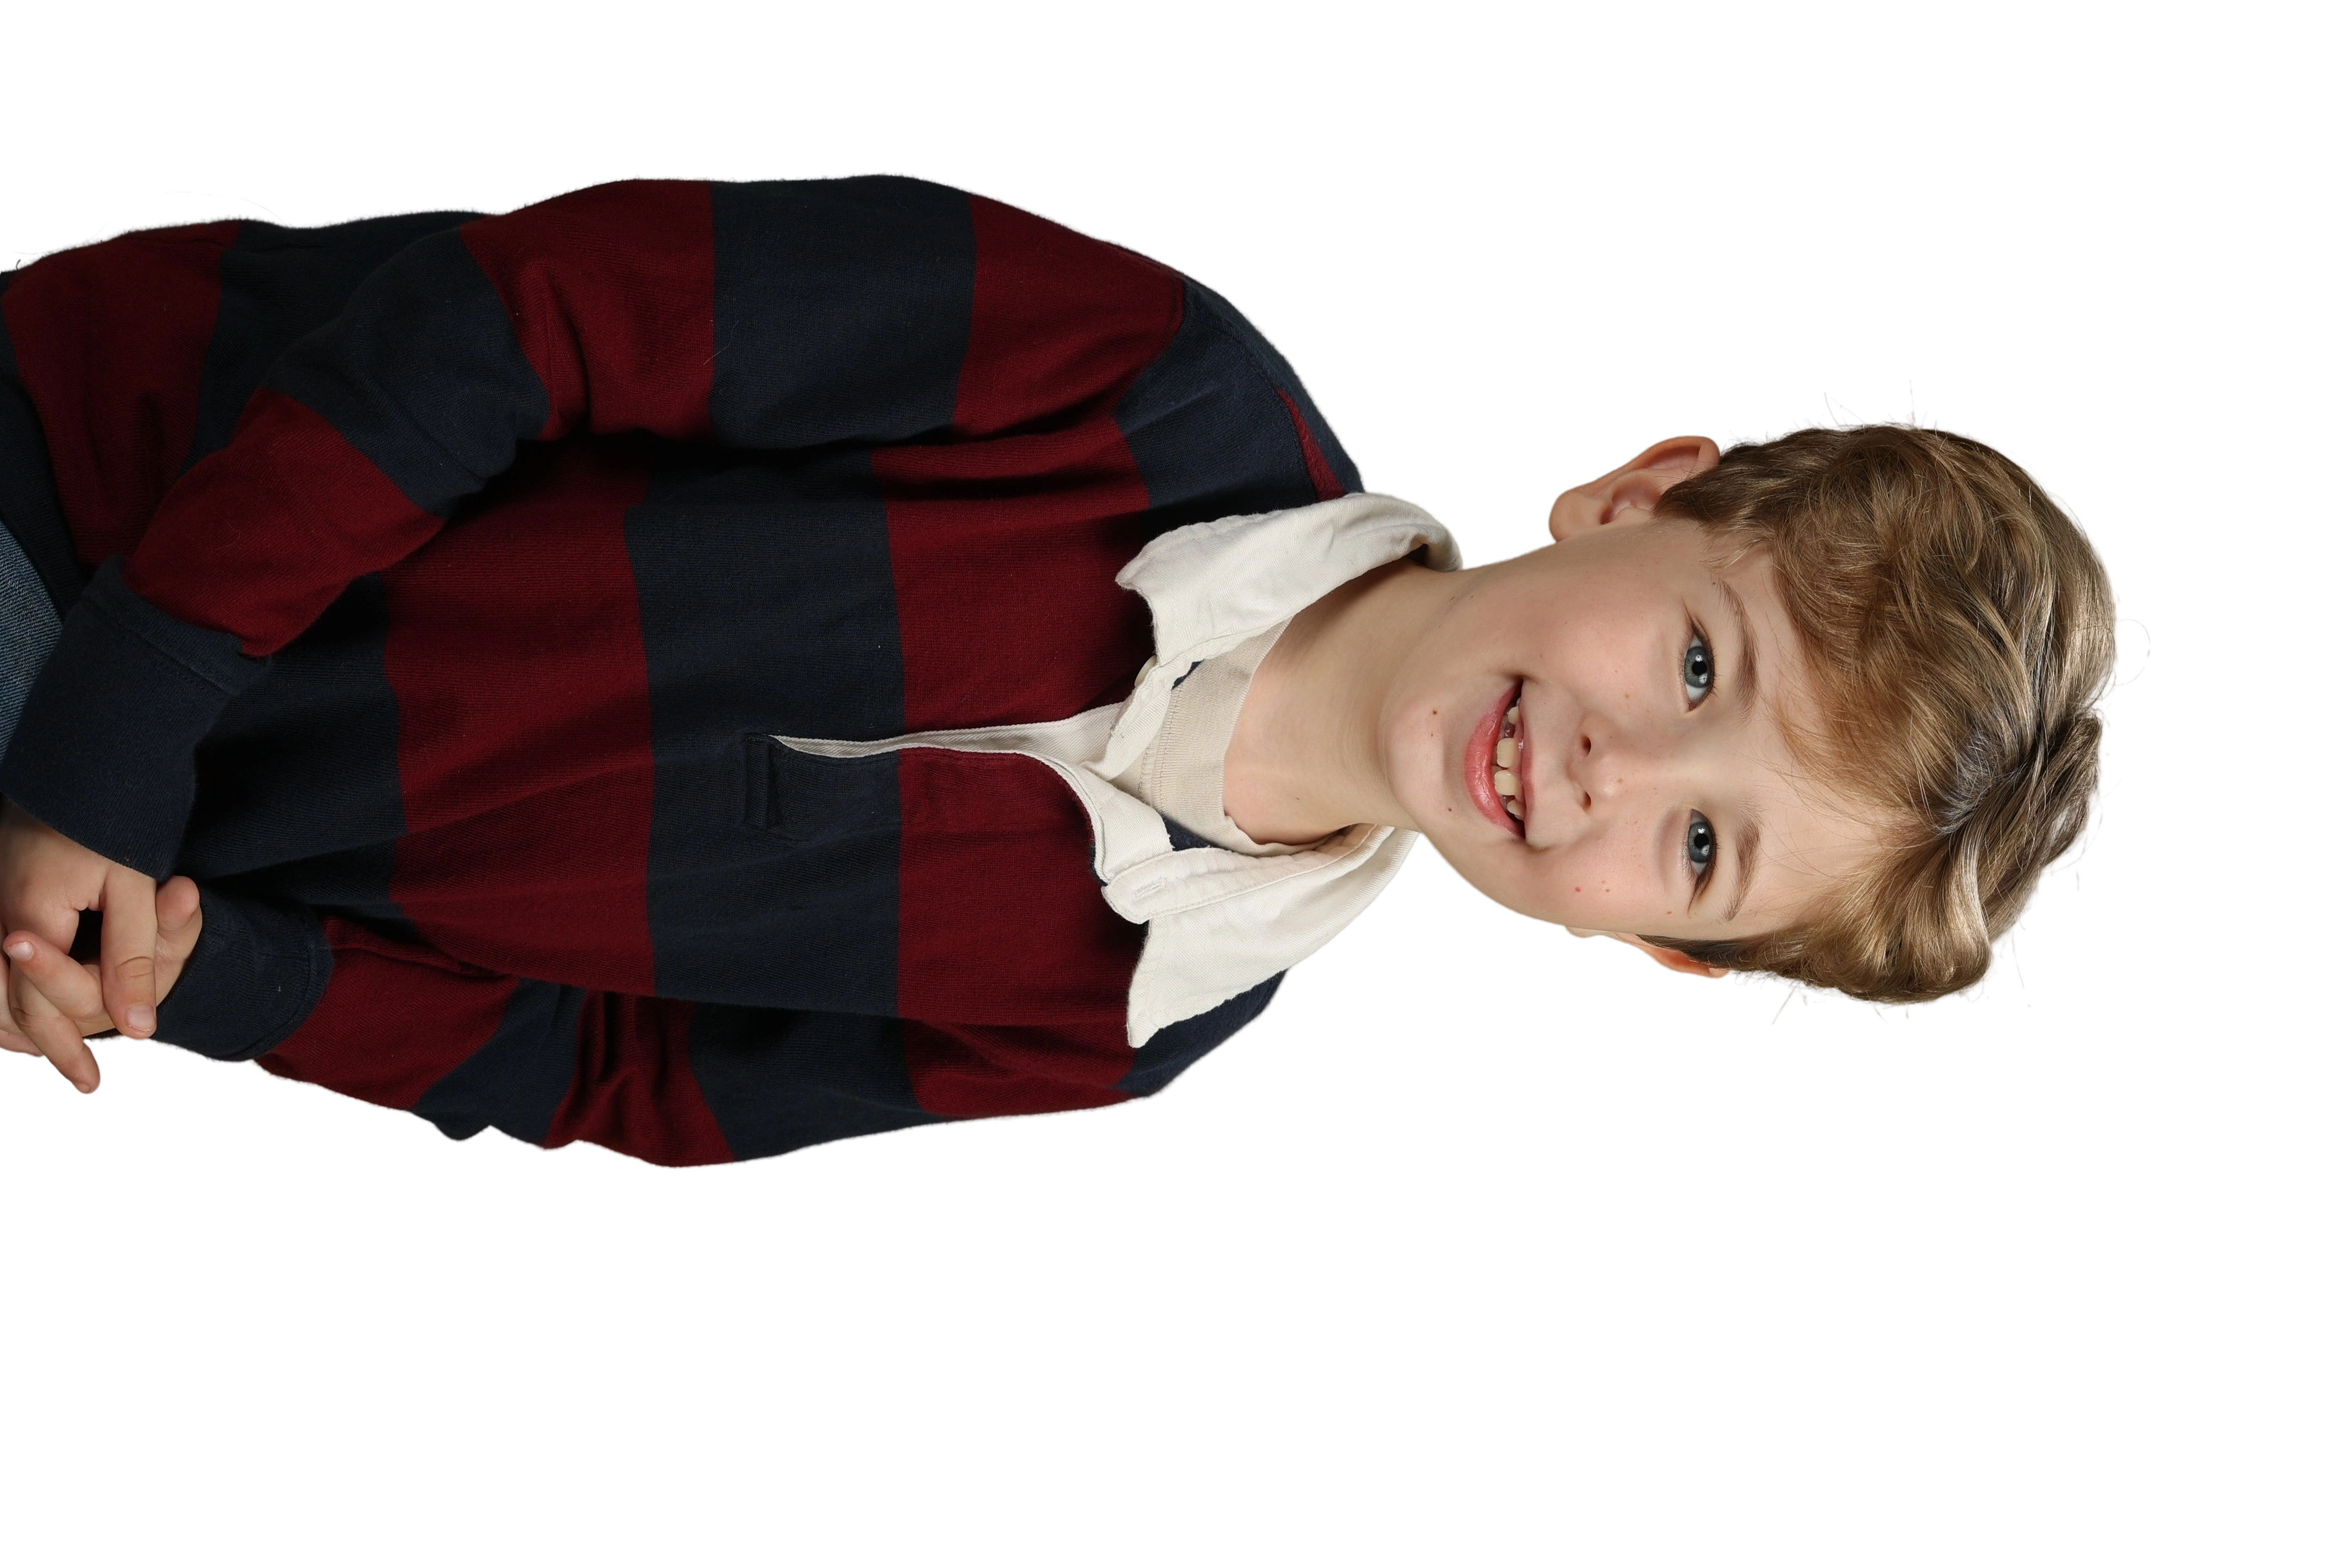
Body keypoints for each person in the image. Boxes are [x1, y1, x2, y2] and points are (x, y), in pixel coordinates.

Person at [0, 172, 2130, 1166]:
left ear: (1660, 949)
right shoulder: (1140, 377)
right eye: (1699, 664)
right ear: (1645, 493)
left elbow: (622, 1078)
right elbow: (524, 316)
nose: (1606, 770)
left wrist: (209, 974)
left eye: (1701, 843)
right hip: (84, 500)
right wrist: (114, 731)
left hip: (120, 883)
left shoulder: (1141, 1013)